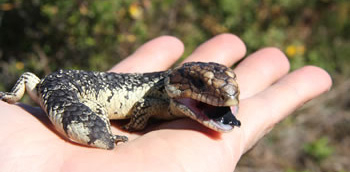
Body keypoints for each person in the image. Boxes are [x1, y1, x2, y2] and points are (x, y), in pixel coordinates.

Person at [0, 34, 332, 171]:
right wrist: (133, 126)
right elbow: (142, 111)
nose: (227, 98)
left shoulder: (175, 92)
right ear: (179, 83)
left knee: (36, 82)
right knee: (87, 125)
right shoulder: (158, 95)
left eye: (230, 90)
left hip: (55, 83)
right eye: (200, 87)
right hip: (69, 86)